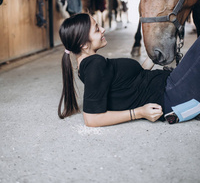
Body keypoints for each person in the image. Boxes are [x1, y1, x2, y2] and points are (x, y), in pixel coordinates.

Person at [58, 13, 200, 127]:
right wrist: (139, 113)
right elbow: (91, 119)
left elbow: (130, 85)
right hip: (170, 93)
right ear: (83, 44)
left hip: (169, 86)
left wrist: (152, 58)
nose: (103, 30)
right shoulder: (94, 66)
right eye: (97, 29)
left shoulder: (87, 66)